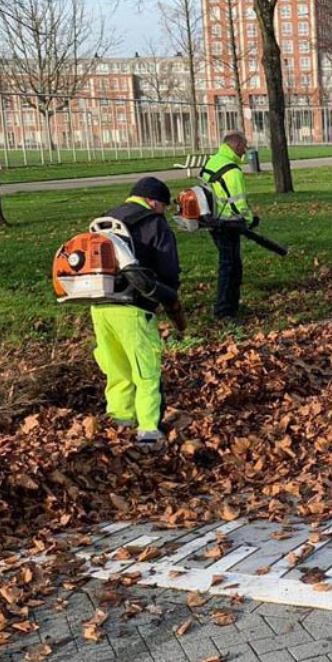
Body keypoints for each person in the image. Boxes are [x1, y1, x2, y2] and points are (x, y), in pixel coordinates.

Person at [91, 176, 184, 447]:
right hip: (133, 308)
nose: (163, 211)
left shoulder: (106, 220)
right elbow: (167, 268)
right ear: (154, 202)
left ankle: (119, 422)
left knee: (117, 369)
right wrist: (169, 295)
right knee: (146, 370)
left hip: (100, 306)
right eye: (163, 207)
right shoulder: (153, 223)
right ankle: (149, 431)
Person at [200, 131, 258, 321]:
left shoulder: (213, 161)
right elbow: (238, 203)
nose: (245, 150)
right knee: (230, 267)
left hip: (213, 220)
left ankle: (231, 306)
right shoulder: (232, 170)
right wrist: (250, 220)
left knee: (232, 265)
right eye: (244, 146)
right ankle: (224, 310)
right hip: (228, 224)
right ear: (237, 146)